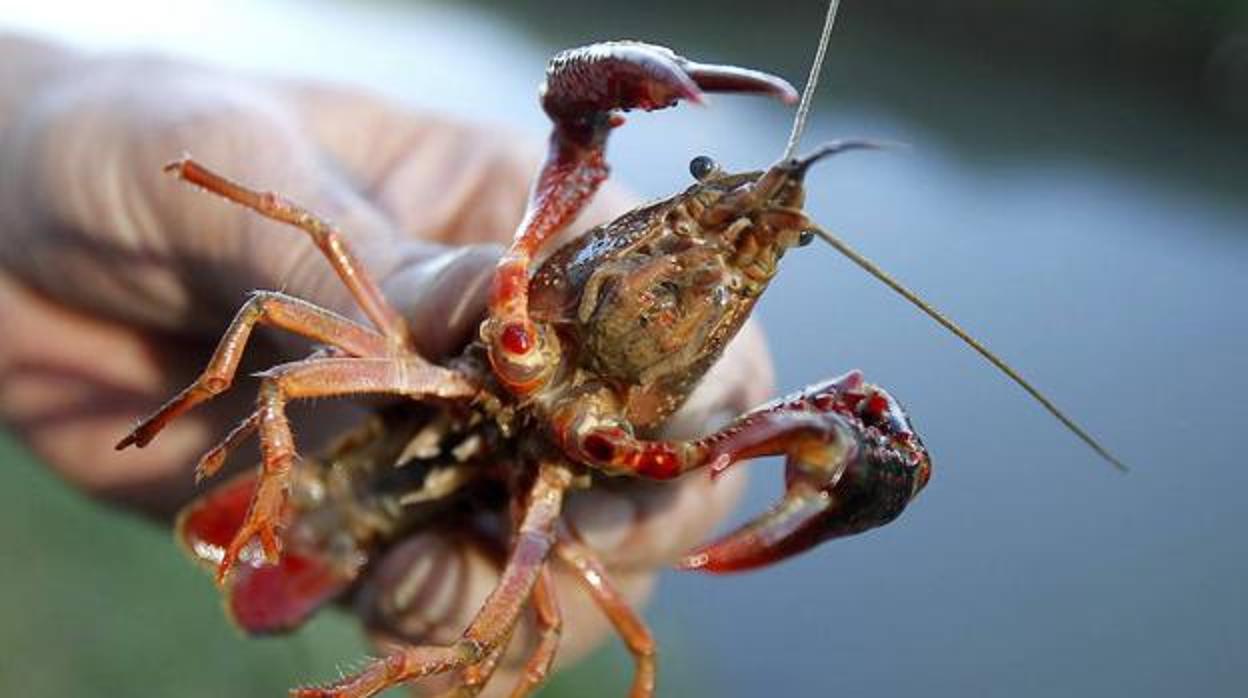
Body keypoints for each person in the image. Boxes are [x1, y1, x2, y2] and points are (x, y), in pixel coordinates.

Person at [0, 33, 773, 694]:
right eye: (701, 182)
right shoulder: (527, 293)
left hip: (499, 494)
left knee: (527, 636)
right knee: (281, 305)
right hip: (372, 428)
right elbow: (304, 246)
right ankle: (273, 494)